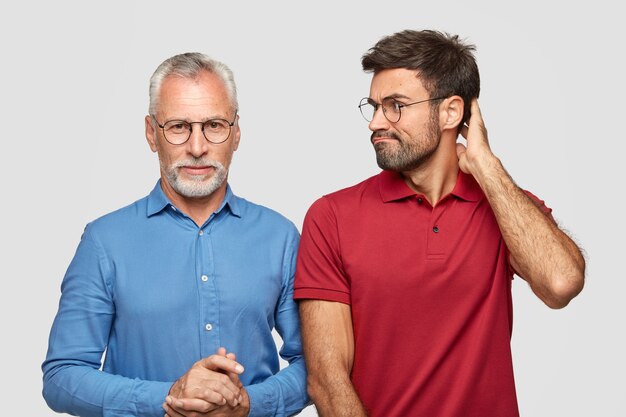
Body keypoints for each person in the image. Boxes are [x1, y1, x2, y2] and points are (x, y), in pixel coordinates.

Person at [294, 30, 585, 417]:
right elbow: (327, 380)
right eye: (374, 106)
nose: (376, 122)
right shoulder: (331, 216)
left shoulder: (504, 206)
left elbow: (561, 284)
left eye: (396, 105)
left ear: (451, 112)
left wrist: (486, 165)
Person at [42, 52, 308, 417]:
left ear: (236, 133)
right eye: (179, 126)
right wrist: (170, 397)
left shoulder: (280, 237)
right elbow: (62, 377)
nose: (197, 148)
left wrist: (248, 404)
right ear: (152, 133)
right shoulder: (104, 241)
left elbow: (317, 364)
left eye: (213, 125)